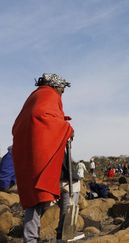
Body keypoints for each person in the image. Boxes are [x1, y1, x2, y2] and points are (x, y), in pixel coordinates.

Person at [12, 73, 73, 243]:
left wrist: (62, 122)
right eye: (62, 88)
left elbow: (39, 117)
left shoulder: (35, 97)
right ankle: (56, 236)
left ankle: (33, 238)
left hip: (37, 154)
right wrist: (66, 128)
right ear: (55, 86)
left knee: (38, 198)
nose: (62, 92)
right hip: (46, 155)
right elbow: (42, 116)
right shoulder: (48, 94)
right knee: (50, 194)